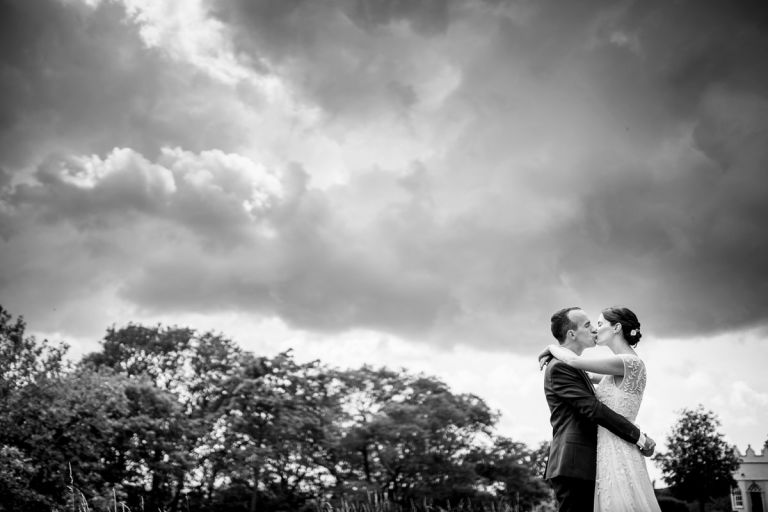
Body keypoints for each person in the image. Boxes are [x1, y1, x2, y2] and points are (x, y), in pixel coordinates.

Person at [541, 306, 662, 511]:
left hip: (607, 452)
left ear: (616, 328)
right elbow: (594, 408)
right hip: (576, 462)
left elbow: (576, 362)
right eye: (590, 325)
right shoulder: (564, 367)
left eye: (598, 324)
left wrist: (551, 348)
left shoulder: (624, 363)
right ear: (572, 334)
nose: (595, 330)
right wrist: (640, 437)